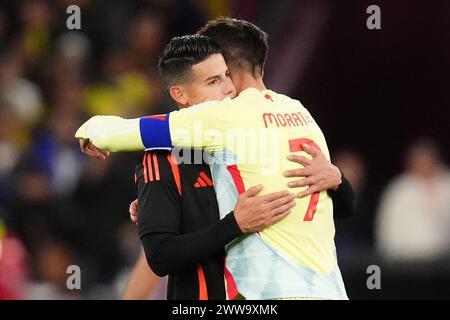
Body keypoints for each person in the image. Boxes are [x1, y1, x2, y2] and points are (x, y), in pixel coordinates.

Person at [76, 19, 352, 300]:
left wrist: (89, 132)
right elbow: (341, 205)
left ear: (226, 67)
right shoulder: (300, 112)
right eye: (212, 79)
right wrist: (340, 180)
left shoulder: (224, 118)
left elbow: (127, 131)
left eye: (220, 75)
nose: (225, 87)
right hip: (330, 290)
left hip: (271, 291)